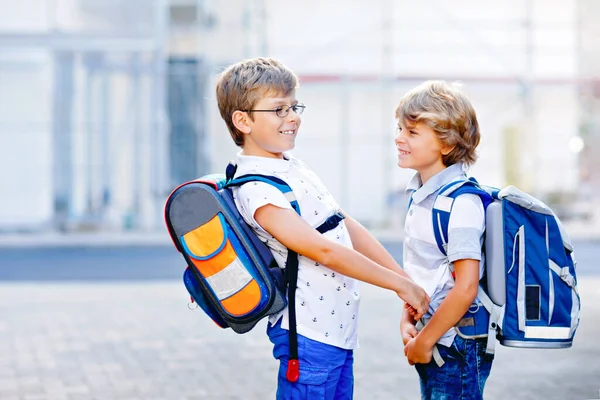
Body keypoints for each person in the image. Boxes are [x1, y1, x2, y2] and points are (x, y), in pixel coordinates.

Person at [215, 57, 429, 400]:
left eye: (294, 106)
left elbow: (345, 225)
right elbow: (323, 250)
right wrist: (398, 285)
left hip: (337, 334)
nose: (293, 117)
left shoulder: (292, 167)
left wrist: (404, 282)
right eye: (279, 110)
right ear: (243, 121)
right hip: (309, 338)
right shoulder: (257, 189)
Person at [396, 80, 494, 400]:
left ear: (447, 144)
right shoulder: (420, 196)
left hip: (457, 345)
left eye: (412, 132)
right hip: (432, 335)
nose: (399, 139)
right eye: (399, 129)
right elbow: (424, 270)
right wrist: (407, 320)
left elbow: (465, 288)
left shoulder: (461, 202)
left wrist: (424, 343)